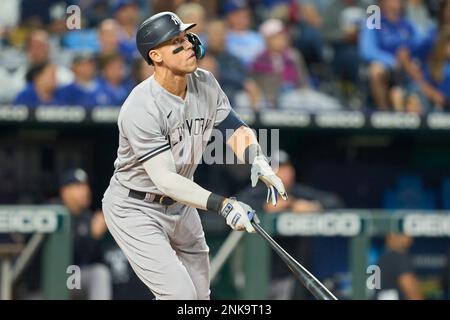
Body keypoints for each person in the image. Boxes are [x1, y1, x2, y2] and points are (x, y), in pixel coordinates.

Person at [101, 11, 287, 300]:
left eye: (187, 37)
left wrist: (258, 160)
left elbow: (234, 129)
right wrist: (224, 205)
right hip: (135, 206)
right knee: (180, 296)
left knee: (200, 298)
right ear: (156, 56)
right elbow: (166, 181)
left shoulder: (206, 82)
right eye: (176, 41)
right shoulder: (141, 106)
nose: (188, 44)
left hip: (181, 204)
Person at [238, 150, 344, 299]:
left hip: (287, 275)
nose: (284, 173)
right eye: (278, 168)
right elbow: (236, 205)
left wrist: (312, 206)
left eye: (286, 167)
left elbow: (334, 202)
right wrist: (265, 206)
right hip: (254, 271)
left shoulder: (297, 193)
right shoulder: (257, 193)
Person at [58, 168, 112, 300]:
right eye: (77, 186)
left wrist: (95, 237)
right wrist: (92, 236)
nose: (85, 191)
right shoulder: (56, 215)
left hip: (75, 279)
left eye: (85, 185)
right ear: (64, 192)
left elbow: (96, 259)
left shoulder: (89, 218)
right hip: (56, 277)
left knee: (100, 273)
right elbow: (65, 258)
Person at [375, 233, 424, 300]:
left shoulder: (383, 258)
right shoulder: (399, 257)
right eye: (404, 233)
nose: (409, 237)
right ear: (392, 235)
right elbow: (410, 290)